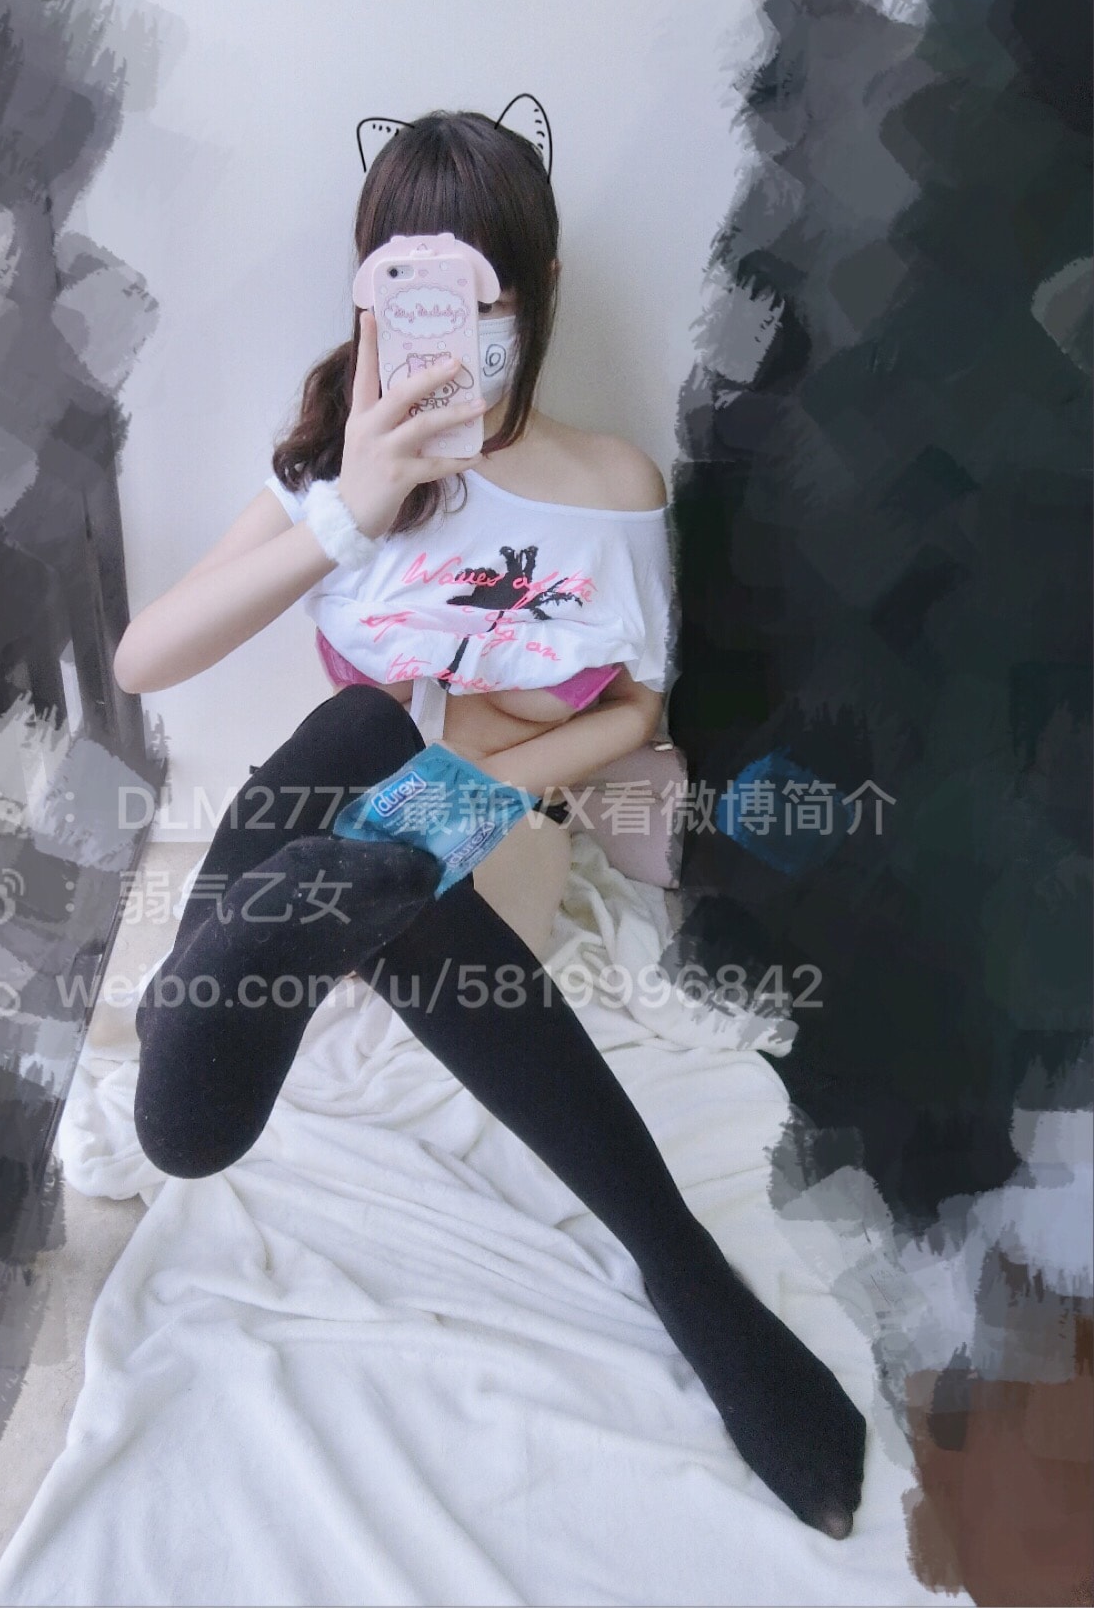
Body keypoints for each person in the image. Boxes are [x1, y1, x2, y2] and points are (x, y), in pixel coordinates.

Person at [112, 110, 866, 1539]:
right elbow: (145, 662)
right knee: (358, 737)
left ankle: (676, 1265)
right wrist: (351, 511)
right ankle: (245, 965)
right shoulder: (333, 467)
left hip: (492, 840)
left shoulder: (611, 486)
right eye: (408, 295)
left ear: (535, 294)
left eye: (478, 302)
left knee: (382, 797)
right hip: (343, 828)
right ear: (368, 295)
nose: (447, 337)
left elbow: (634, 718)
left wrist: (472, 793)